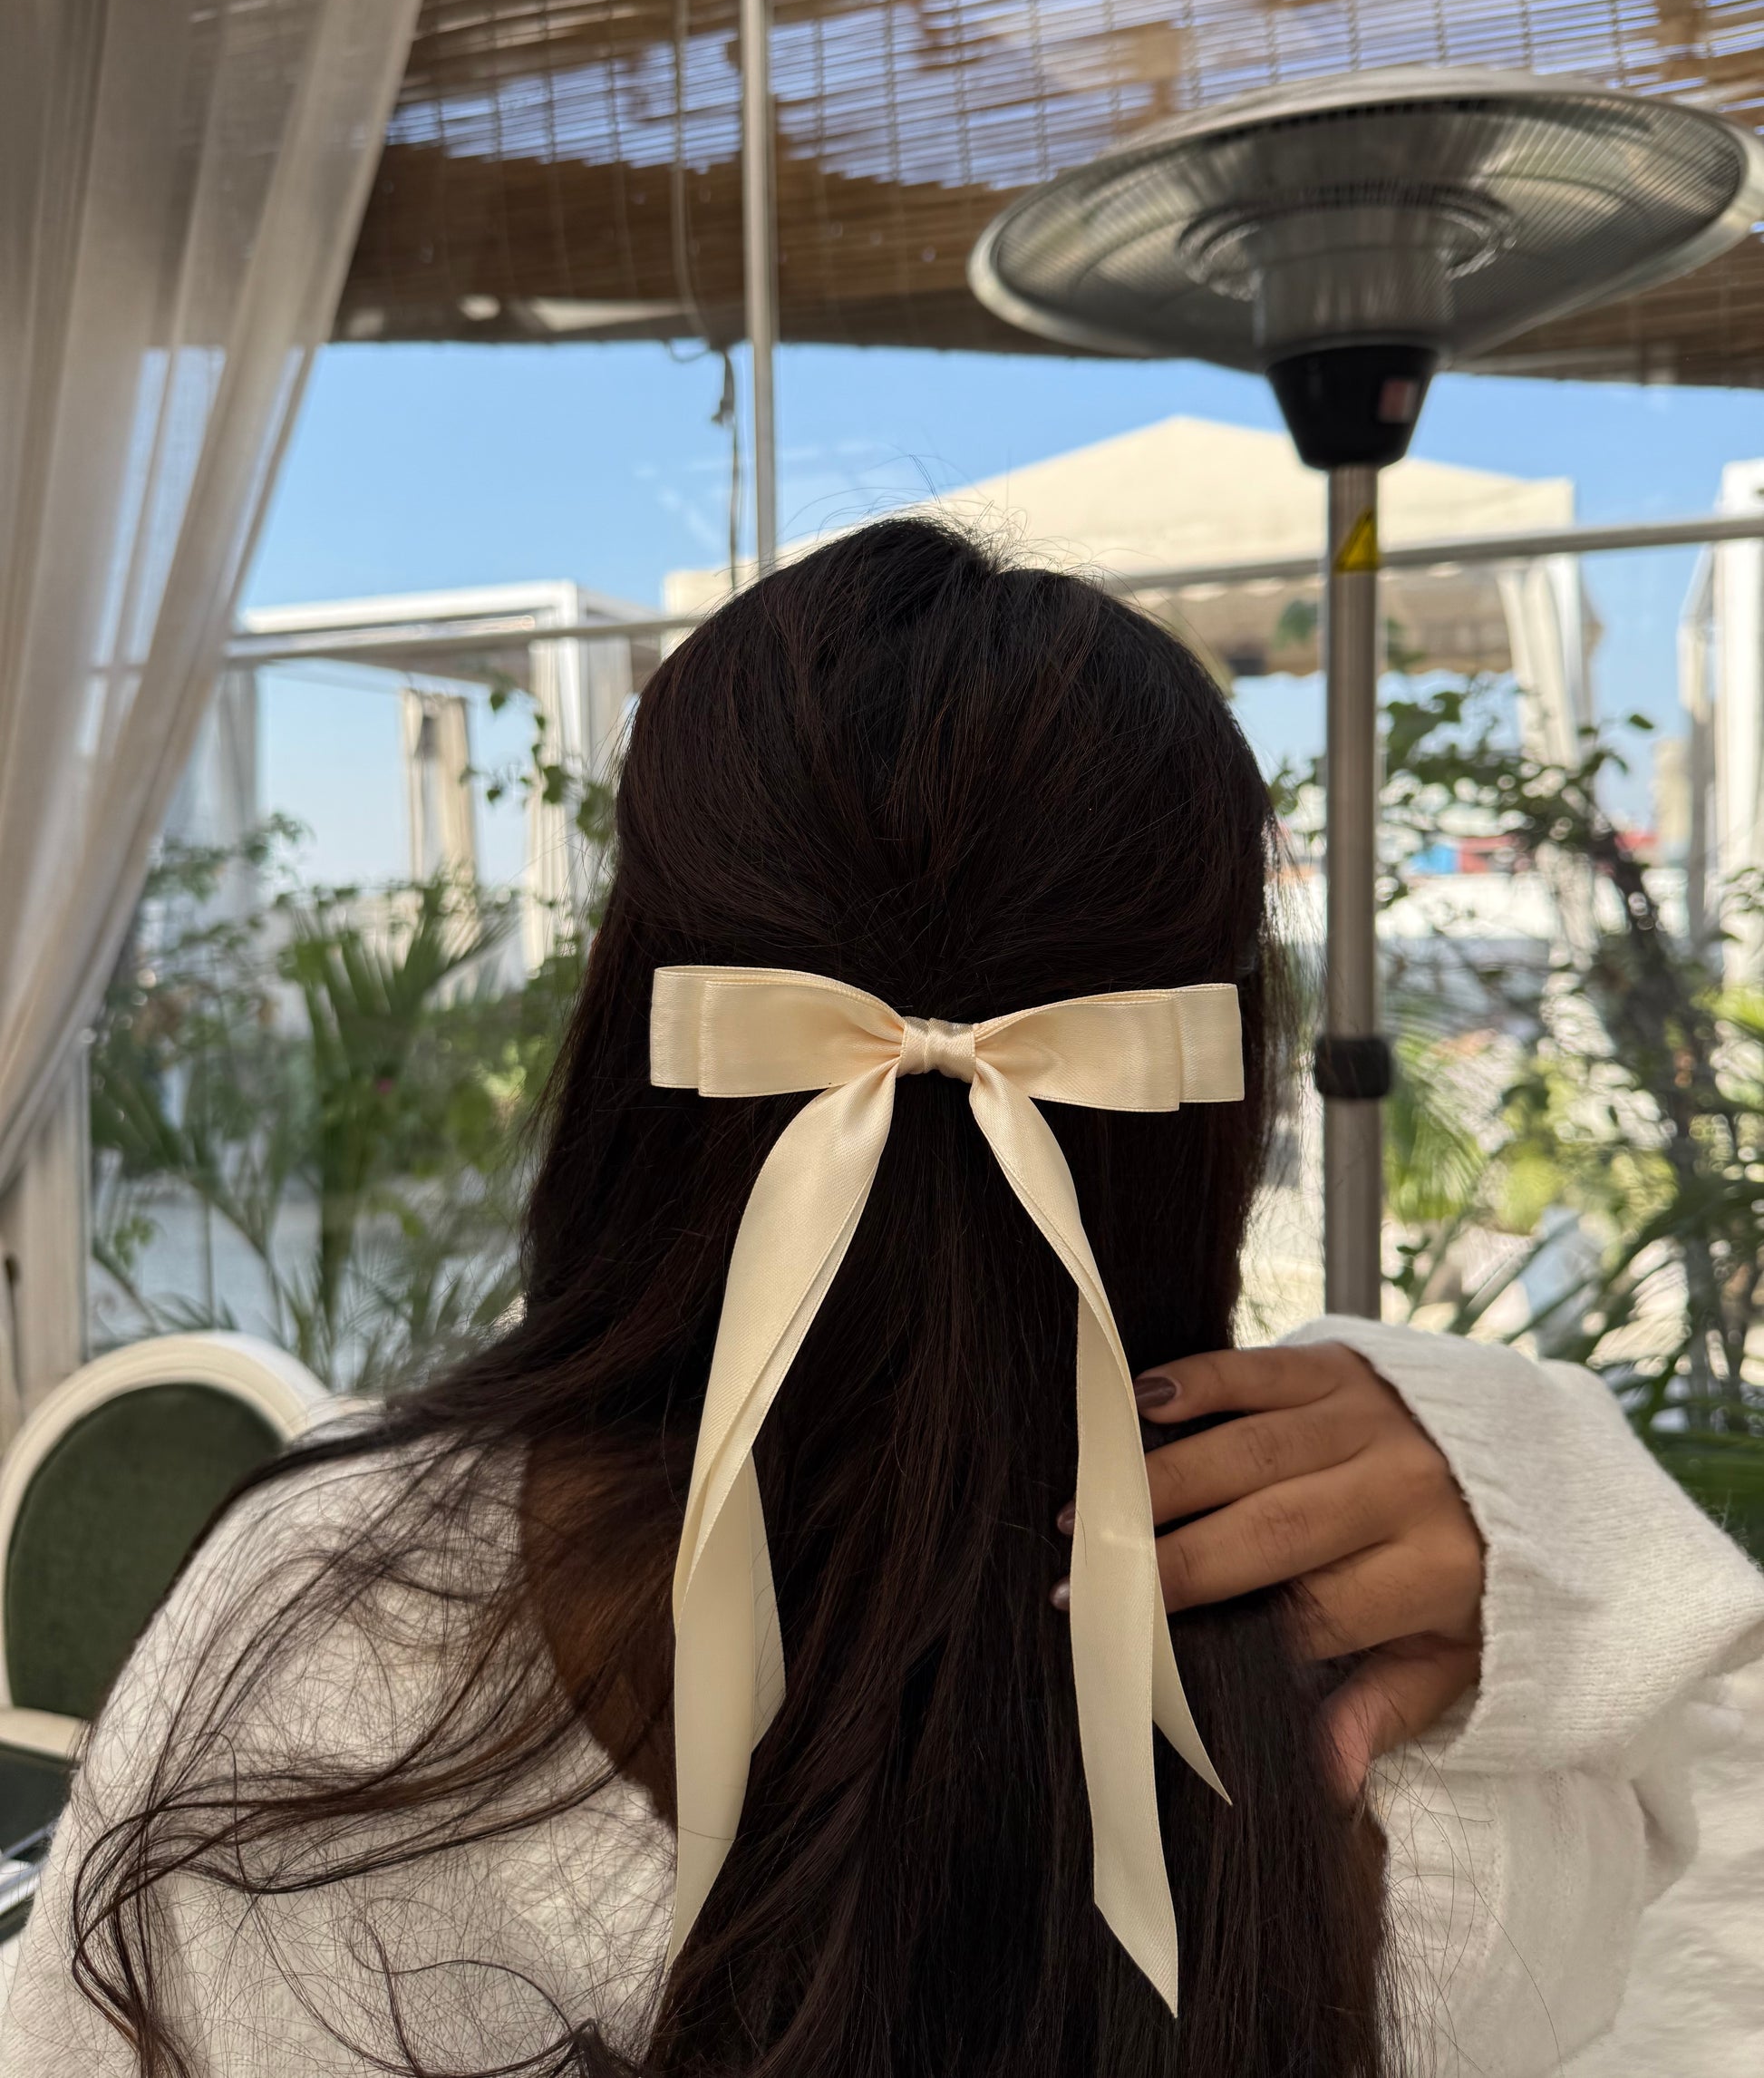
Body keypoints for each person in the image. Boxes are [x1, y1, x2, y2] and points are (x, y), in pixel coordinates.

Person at [3, 519, 1759, 2077]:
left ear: (632, 1023)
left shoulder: (330, 1640)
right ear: (1218, 1084)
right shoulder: (1422, 1709)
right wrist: (1539, 1483)